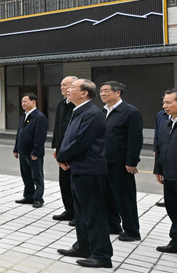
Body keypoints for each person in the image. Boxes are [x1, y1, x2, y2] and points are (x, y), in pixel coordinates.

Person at [56, 79, 112, 269]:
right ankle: (83, 246)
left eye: (72, 87)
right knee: (80, 212)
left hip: (89, 170)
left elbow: (82, 142)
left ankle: (102, 255)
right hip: (78, 168)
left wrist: (63, 156)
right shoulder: (78, 111)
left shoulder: (92, 114)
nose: (67, 90)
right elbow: (68, 138)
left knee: (94, 213)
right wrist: (64, 158)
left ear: (84, 93)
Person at [100, 81, 143, 242]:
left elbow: (135, 139)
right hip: (104, 161)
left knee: (124, 197)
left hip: (121, 163)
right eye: (101, 91)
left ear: (117, 93)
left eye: (106, 91)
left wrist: (131, 161)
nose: (102, 94)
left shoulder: (130, 112)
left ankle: (132, 230)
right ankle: (113, 225)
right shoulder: (103, 112)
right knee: (107, 196)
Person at [13, 93, 48, 208]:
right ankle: (28, 196)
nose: (23, 104)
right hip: (23, 151)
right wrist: (16, 148)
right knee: (26, 175)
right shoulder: (23, 116)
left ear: (33, 102)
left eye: (25, 101)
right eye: (22, 102)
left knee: (37, 176)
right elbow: (19, 133)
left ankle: (38, 199)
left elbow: (40, 137)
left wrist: (36, 152)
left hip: (33, 153)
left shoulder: (39, 117)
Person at [52, 76, 78, 222]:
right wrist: (56, 146)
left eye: (65, 85)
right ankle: (69, 210)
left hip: (73, 151)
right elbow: (57, 127)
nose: (62, 87)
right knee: (64, 182)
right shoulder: (61, 105)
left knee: (75, 183)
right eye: (61, 85)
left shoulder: (78, 106)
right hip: (61, 149)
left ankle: (77, 213)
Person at [154, 89, 177, 253]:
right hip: (169, 174)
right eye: (164, 102)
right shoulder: (166, 122)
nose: (164, 106)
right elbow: (160, 149)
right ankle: (175, 241)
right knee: (172, 208)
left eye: (168, 102)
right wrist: (158, 169)